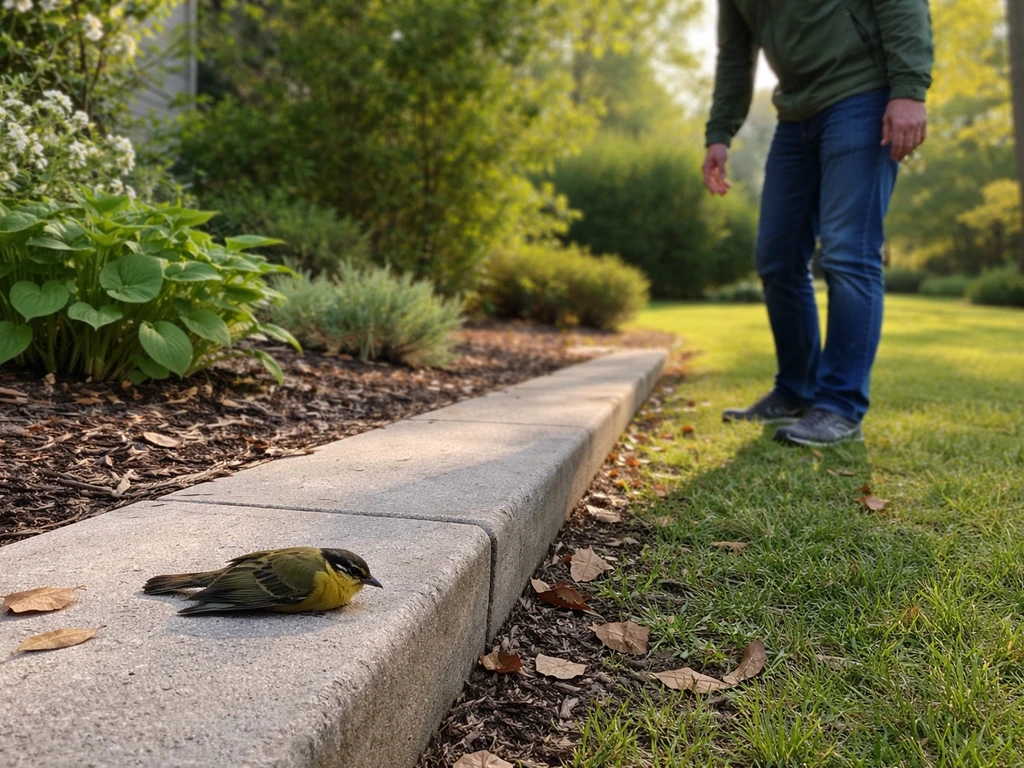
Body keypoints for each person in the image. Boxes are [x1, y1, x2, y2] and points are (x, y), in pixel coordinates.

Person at [704, 1, 933, 447]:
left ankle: (841, 405)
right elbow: (734, 55)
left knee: (848, 252)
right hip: (795, 115)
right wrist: (719, 132)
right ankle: (795, 391)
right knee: (777, 256)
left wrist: (909, 88)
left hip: (862, 96)